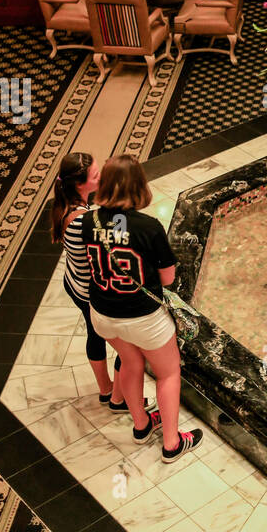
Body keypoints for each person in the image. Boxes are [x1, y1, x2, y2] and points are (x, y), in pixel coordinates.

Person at [81, 155, 203, 462]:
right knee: (168, 374)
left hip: (103, 313)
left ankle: (141, 425)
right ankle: (172, 444)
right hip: (143, 318)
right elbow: (167, 277)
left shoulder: (87, 221)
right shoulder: (148, 227)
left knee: (130, 363)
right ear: (139, 185)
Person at [50, 152, 128, 412]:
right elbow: (110, 255)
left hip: (73, 282)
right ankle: (119, 397)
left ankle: (106, 389)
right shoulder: (83, 221)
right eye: (96, 175)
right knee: (129, 348)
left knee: (95, 333)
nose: (102, 176)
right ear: (80, 184)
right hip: (90, 292)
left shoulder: (65, 206)